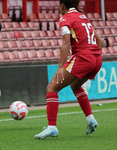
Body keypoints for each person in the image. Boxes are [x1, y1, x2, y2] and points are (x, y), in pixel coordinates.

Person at [35, 0, 103, 139]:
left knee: (51, 88)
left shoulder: (66, 18)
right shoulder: (83, 17)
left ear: (62, 5)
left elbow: (66, 43)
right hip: (97, 58)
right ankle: (90, 119)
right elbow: (100, 41)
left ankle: (52, 127)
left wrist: (60, 66)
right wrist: (93, 64)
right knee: (75, 85)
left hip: (83, 57)